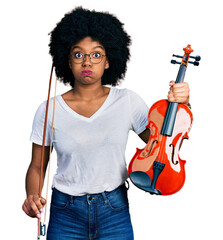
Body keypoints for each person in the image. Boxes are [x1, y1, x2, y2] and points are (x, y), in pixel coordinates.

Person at [22, 7, 190, 240]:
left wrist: (181, 104)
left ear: (109, 61)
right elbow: (38, 167)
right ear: (67, 60)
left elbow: (160, 143)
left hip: (114, 209)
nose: (87, 61)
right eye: (78, 54)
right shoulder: (48, 109)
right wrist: (32, 195)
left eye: (96, 54)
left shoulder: (127, 101)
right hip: (65, 212)